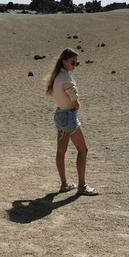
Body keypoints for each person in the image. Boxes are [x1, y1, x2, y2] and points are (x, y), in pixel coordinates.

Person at [45, 48, 99, 196]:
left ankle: (64, 184)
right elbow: (75, 102)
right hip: (69, 117)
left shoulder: (56, 76)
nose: (74, 66)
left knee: (61, 152)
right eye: (72, 62)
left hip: (60, 114)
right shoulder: (66, 79)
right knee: (83, 150)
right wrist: (77, 103)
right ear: (64, 61)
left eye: (77, 63)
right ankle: (82, 186)